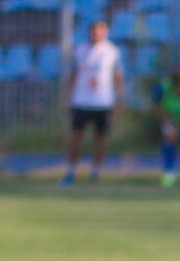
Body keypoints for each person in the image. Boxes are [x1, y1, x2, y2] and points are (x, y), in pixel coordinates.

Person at [63, 19, 124, 186]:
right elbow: (73, 75)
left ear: (105, 33)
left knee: (100, 138)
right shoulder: (80, 50)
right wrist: (67, 97)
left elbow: (118, 76)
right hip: (81, 100)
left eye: (99, 31)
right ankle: (71, 172)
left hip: (103, 101)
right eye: (94, 31)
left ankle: (95, 172)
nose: (96, 34)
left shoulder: (112, 51)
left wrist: (119, 99)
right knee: (76, 137)